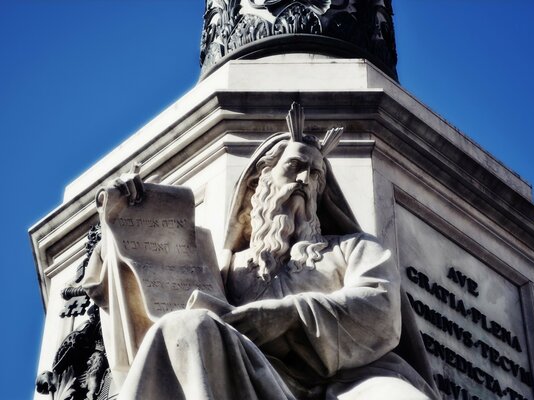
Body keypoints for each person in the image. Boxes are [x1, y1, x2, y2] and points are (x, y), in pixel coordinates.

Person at [90, 103, 439, 400]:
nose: (304, 179)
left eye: (315, 174)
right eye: (294, 167)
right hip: (253, 372)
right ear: (260, 181)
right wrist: (124, 217)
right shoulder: (223, 267)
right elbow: (143, 306)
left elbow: (381, 311)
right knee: (186, 325)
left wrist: (284, 316)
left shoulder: (354, 248)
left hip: (350, 384)